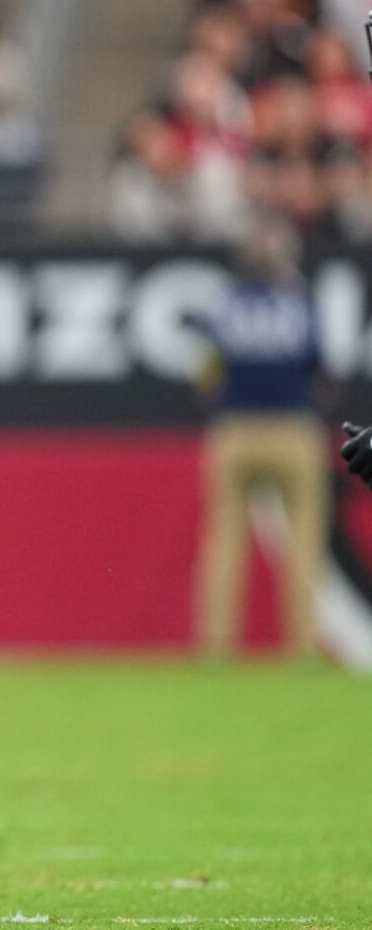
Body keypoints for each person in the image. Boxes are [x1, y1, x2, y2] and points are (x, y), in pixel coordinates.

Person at [192, 216, 328, 658]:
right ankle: (303, 644)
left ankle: (216, 645)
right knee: (304, 541)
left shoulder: (225, 304)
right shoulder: (298, 301)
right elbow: (318, 367)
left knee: (224, 543)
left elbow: (205, 374)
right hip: (291, 428)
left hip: (236, 430)